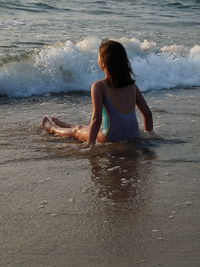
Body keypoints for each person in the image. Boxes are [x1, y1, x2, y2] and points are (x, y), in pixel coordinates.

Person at [42, 40, 153, 147]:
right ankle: (66, 124)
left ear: (103, 63)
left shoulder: (99, 86)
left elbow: (97, 119)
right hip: (133, 136)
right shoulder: (132, 86)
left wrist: (90, 144)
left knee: (77, 131)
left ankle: (51, 127)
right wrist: (149, 135)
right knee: (86, 128)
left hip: (109, 138)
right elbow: (147, 114)